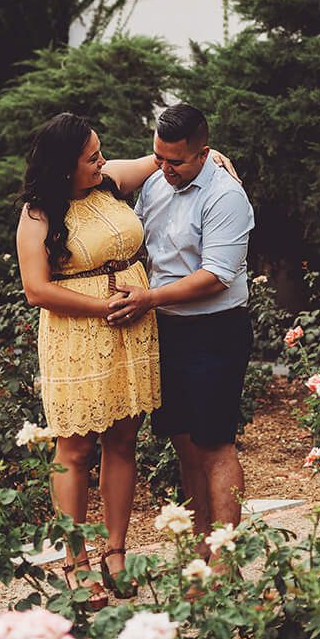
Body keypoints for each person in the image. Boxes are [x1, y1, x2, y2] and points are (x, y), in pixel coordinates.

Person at [15, 114, 159, 598]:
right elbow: (35, 289)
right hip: (77, 334)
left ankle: (115, 552)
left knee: (123, 441)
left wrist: (211, 155)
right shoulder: (38, 214)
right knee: (75, 449)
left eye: (101, 153)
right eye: (92, 157)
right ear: (63, 167)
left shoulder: (109, 181)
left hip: (132, 327)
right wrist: (102, 307)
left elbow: (157, 160)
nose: (101, 162)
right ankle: (75, 563)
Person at [105, 103, 257, 556]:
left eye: (176, 161)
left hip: (215, 332)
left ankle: (225, 559)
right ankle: (199, 554)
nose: (165, 169)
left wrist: (149, 297)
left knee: (215, 445)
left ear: (204, 153)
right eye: (159, 158)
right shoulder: (156, 180)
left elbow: (216, 275)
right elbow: (104, 182)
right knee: (185, 446)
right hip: (166, 332)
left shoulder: (225, 195)